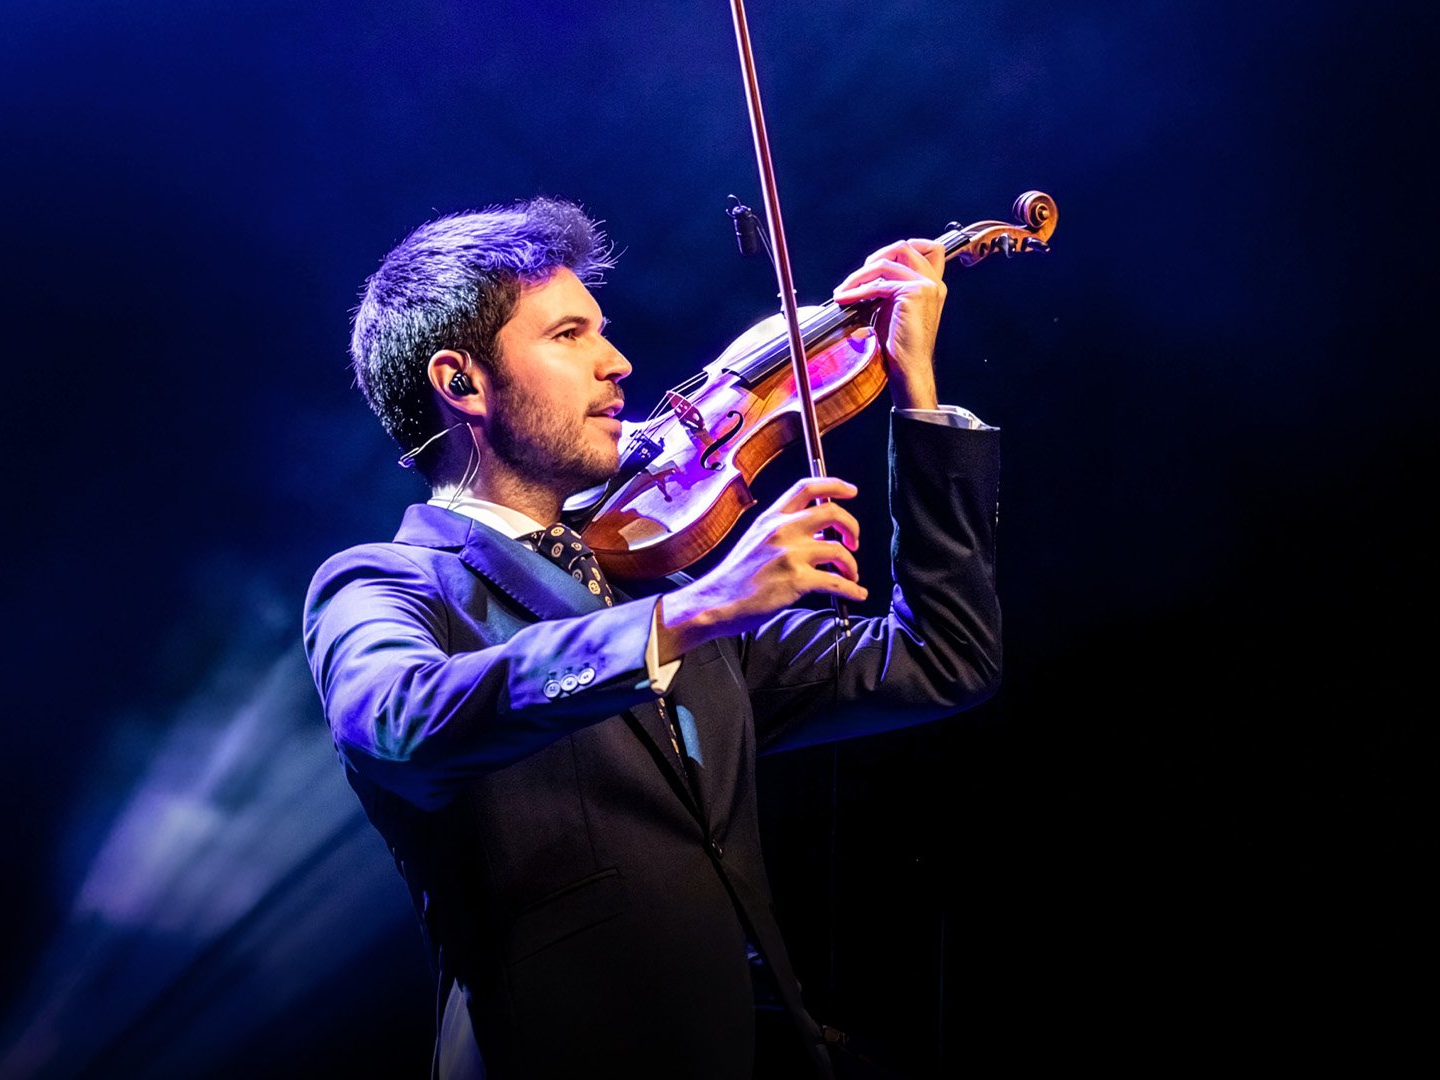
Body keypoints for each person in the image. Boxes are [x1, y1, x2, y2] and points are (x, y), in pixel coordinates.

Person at [302, 197, 1002, 1079]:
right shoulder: (389, 583)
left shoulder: (660, 584)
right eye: (568, 336)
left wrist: (919, 399)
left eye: (604, 330)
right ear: (462, 382)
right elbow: (402, 726)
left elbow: (946, 661)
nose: (618, 363)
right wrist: (702, 609)